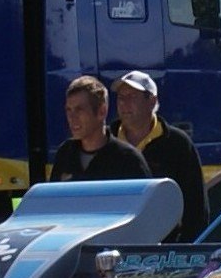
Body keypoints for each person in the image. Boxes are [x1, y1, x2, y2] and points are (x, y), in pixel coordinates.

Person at [114, 70, 209, 236]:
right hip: (113, 245)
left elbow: (196, 207)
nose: (124, 103)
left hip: (166, 249)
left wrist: (183, 250)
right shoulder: (107, 141)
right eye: (121, 97)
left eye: (132, 97)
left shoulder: (178, 144)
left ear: (152, 101)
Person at [48, 75, 148, 182]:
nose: (72, 118)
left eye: (79, 110)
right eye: (69, 110)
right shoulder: (65, 154)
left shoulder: (128, 160)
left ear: (102, 111)